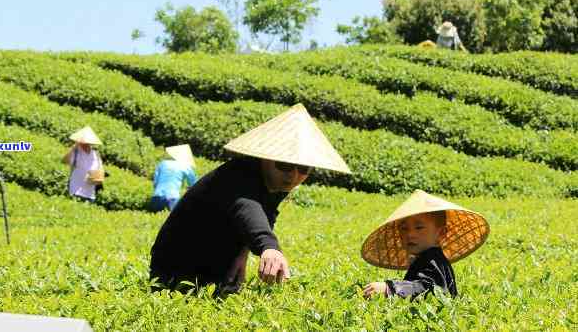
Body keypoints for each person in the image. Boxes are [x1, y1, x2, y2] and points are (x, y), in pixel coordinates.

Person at [149, 103, 351, 296]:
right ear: (265, 158)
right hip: (176, 268)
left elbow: (267, 213)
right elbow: (247, 208)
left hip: (214, 261)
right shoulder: (238, 176)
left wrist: (242, 253)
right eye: (285, 165)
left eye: (304, 168)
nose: (294, 175)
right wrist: (269, 247)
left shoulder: (276, 181)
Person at [361, 189, 489, 300]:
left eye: (419, 227)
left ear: (441, 233)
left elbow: (429, 288)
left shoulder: (432, 260)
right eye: (404, 229)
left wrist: (391, 288)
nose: (410, 234)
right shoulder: (424, 258)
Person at [150, 144, 198, 212]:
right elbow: (195, 185)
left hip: (156, 198)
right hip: (172, 198)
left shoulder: (162, 163)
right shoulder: (186, 166)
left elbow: (155, 184)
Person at [62, 126, 104, 202]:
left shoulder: (96, 154)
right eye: (82, 142)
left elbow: (100, 170)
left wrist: (98, 176)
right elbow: (64, 161)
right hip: (76, 190)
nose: (85, 144)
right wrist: (74, 147)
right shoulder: (76, 152)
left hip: (90, 193)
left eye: (87, 142)